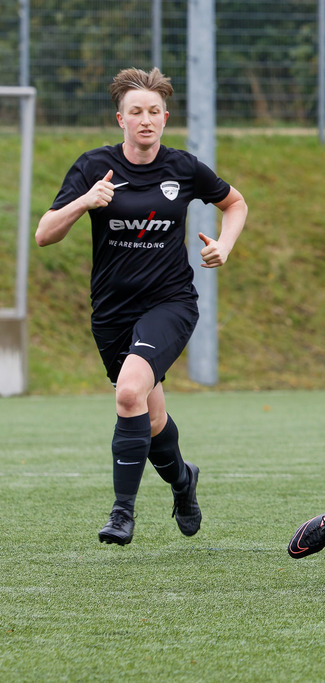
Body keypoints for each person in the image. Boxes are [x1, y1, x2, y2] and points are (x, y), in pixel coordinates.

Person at [35, 67, 248, 546]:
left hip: (170, 302)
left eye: (154, 112)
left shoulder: (184, 167)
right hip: (112, 312)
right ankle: (182, 482)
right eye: (136, 112)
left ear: (165, 118)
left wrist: (225, 245)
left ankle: (121, 514)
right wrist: (85, 202)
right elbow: (44, 234)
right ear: (121, 119)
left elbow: (235, 204)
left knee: (129, 391)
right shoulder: (93, 167)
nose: (146, 120)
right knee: (148, 417)